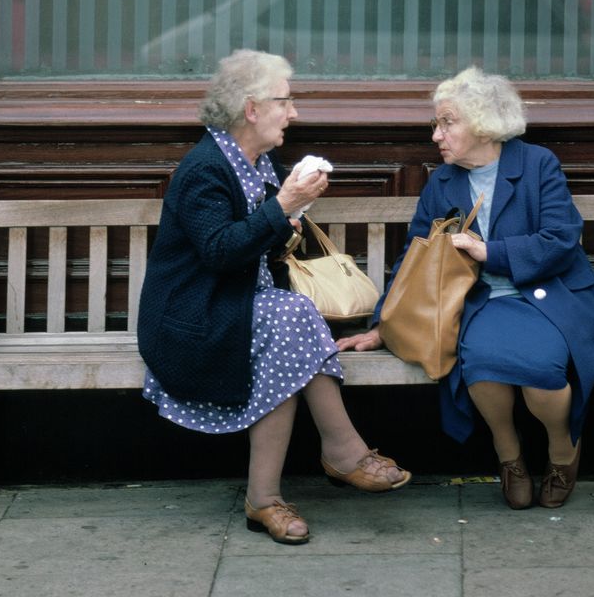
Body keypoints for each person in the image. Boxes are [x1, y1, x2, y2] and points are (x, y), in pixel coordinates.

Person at [137, 49, 410, 546]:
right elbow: (220, 252)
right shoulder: (205, 169)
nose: (295, 112)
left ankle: (267, 498)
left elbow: (266, 247)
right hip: (192, 320)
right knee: (288, 319)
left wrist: (291, 210)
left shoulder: (259, 161)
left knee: (287, 326)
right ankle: (340, 454)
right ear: (252, 108)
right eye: (285, 100)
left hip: (243, 308)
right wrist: (284, 204)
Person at [337, 65, 594, 510]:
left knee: (542, 374)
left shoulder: (537, 164)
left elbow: (561, 240)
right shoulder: (443, 181)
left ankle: (562, 448)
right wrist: (384, 323)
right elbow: (414, 256)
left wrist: (490, 253)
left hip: (550, 299)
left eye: (447, 123)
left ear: (484, 125)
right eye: (436, 123)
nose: (436, 135)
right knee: (481, 366)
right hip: (483, 304)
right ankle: (509, 454)